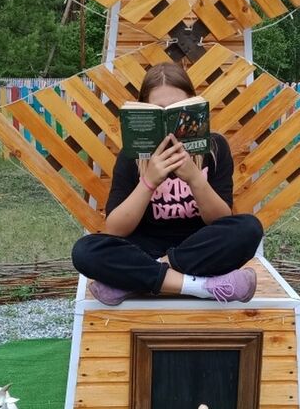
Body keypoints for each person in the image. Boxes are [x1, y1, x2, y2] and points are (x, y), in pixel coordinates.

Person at [71, 62, 264, 305]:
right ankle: (204, 286)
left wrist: (195, 178)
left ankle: (140, 279)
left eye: (177, 110)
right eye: (159, 110)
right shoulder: (133, 155)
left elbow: (221, 220)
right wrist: (149, 182)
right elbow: (116, 229)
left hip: (199, 248)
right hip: (144, 247)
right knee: (85, 251)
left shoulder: (214, 148)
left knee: (249, 229)